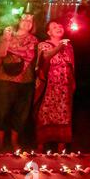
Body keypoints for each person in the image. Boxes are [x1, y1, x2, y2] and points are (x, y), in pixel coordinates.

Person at [0, 13, 38, 151]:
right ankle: (0, 142)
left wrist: (13, 51)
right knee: (2, 111)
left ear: (32, 25)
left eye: (30, 21)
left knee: (20, 113)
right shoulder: (7, 35)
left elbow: (29, 55)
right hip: (4, 79)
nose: (27, 22)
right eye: (24, 19)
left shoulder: (34, 40)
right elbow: (0, 54)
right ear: (18, 21)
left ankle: (14, 142)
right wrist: (6, 40)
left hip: (25, 80)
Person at [34, 21, 75, 152]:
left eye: (60, 26)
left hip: (64, 87)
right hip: (48, 86)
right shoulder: (43, 45)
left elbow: (72, 66)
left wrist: (73, 82)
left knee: (63, 114)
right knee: (45, 113)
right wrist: (59, 47)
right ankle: (40, 147)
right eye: (54, 27)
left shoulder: (69, 46)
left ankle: (61, 148)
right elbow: (46, 56)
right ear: (48, 32)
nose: (59, 28)